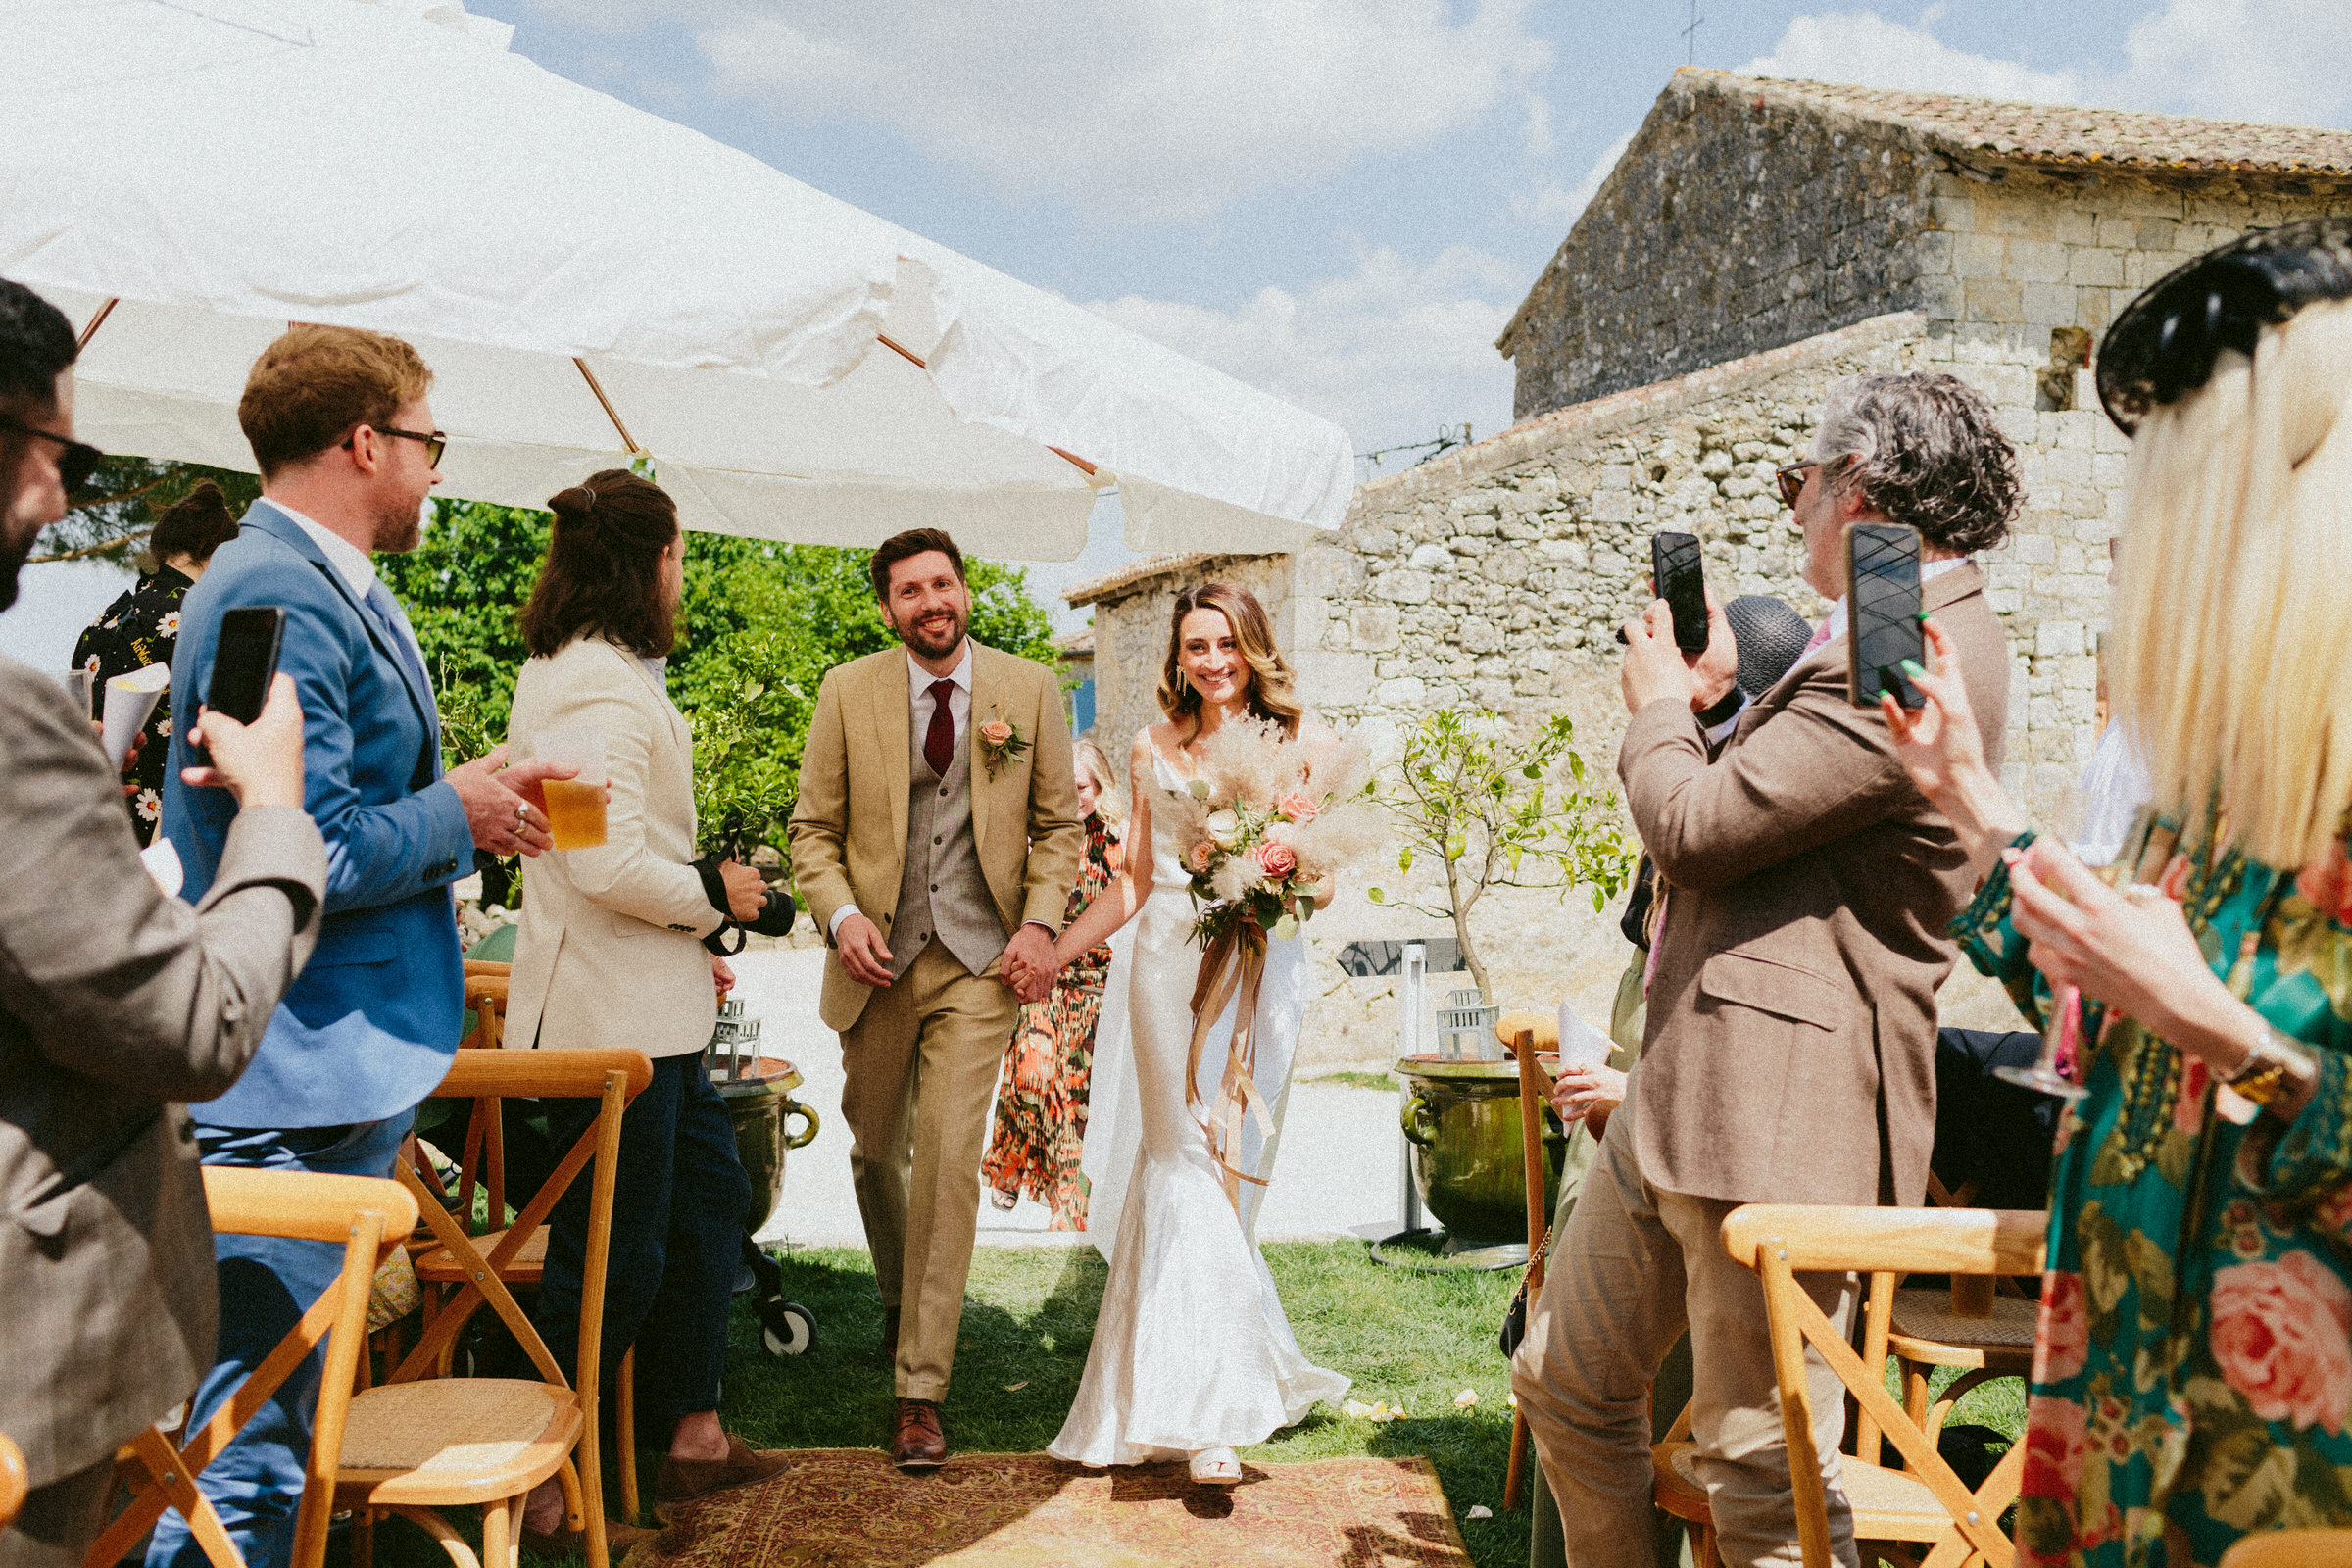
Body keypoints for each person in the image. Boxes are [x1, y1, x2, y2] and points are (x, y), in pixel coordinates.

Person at [1885, 218, 2352, 1568]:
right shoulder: (2211, 797)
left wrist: (2237, 1041)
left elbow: (2211, 1031)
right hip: (2122, 1467)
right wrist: (1976, 803)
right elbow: (2105, 1025)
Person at [1512, 370, 2020, 1568]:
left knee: (1762, 1474)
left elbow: (1696, 827)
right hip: (1688, 1094)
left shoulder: (1916, 644)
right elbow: (1787, 806)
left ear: (1864, 490)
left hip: (1780, 1112)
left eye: (1802, 482)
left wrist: (1653, 710)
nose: (1791, 510)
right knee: (1564, 1385)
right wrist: (1710, 707)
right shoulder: (1887, 604)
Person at [151, 325, 575, 1568]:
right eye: (431, 443)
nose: (437, 471)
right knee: (246, 1454)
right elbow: (297, 848)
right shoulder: (275, 587)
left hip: (327, 1071)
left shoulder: (307, 577)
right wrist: (460, 815)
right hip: (288, 1077)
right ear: (365, 442)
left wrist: (471, 793)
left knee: (283, 1438)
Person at [0, 279, 324, 1568]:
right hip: (24, 1363)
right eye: (57, 455)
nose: (65, 501)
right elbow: (196, 1026)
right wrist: (277, 815)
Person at [496, 470, 784, 1546]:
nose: (683, 573)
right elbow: (602, 861)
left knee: (709, 1210)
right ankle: (532, 1482)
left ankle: (693, 1435)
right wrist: (717, 899)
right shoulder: (596, 691)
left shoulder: (582, 670)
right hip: (608, 1024)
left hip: (656, 1013)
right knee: (613, 1259)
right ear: (649, 561)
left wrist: (691, 936)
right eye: (678, 554)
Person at [785, 527, 1084, 1471]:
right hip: (876, 961)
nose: (930, 603)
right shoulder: (847, 691)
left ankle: (920, 1389)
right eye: (909, 592)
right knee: (878, 1152)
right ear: (888, 610)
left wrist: (1038, 927)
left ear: (965, 590)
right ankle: (896, 1301)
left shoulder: (1029, 690)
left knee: (950, 1159)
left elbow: (1058, 830)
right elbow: (811, 834)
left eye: (942, 584)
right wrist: (839, 920)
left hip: (979, 963)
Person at [1047, 581, 1351, 1486]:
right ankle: (1206, 1419)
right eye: (1194, 648)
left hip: (1261, 970)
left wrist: (1275, 875)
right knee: (1178, 1159)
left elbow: (1327, 882)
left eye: (1224, 644)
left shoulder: (1307, 745)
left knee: (1233, 1174)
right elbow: (1135, 879)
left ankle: (1174, 1383)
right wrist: (1057, 949)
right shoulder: (1151, 747)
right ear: (1176, 659)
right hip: (1166, 966)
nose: (1210, 662)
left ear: (1252, 647)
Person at [981, 735, 1126, 1228]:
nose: (1075, 795)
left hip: (1094, 988)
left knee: (1073, 1097)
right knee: (1031, 1074)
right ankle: (1010, 1165)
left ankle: (1069, 1203)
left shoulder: (1120, 842)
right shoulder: (1037, 838)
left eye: (1082, 786)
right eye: (1066, 787)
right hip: (1044, 982)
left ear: (1100, 785)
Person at [72, 479, 240, 841]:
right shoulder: (203, 618)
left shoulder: (105, 619)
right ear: (216, 550)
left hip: (88, 817)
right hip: (166, 829)